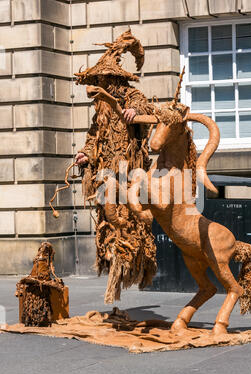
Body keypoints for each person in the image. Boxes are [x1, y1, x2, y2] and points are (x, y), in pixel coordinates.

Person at [74, 30, 157, 304]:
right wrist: (86, 154)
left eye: (103, 80)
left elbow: (144, 111)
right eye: (97, 80)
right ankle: (113, 270)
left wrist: (134, 113)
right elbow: (93, 136)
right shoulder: (101, 110)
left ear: (115, 79)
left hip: (130, 172)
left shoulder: (131, 96)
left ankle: (134, 267)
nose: (100, 84)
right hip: (106, 172)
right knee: (109, 221)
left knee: (130, 219)